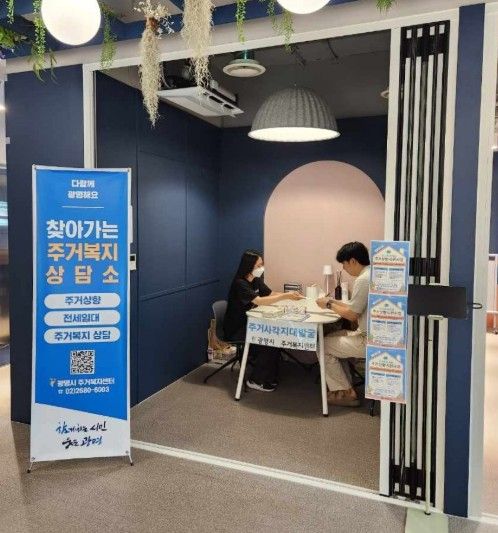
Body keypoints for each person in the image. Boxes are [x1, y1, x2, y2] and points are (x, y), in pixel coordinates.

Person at [224, 250, 303, 392]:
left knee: (275, 338)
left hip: (252, 323)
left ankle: (268, 375)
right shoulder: (240, 283)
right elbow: (259, 300)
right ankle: (256, 380)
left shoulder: (255, 280)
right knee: (269, 341)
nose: (262, 268)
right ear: (249, 266)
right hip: (237, 328)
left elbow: (270, 294)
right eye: (259, 265)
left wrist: (289, 295)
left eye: (262, 265)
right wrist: (286, 296)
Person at [316, 242, 370, 407]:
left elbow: (352, 315)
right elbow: (354, 306)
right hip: (369, 334)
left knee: (322, 345)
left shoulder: (363, 280)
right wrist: (332, 301)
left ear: (353, 261)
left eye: (344, 264)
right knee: (332, 336)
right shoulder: (370, 273)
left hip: (368, 340)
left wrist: (328, 305)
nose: (344, 268)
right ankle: (347, 388)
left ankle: (344, 393)